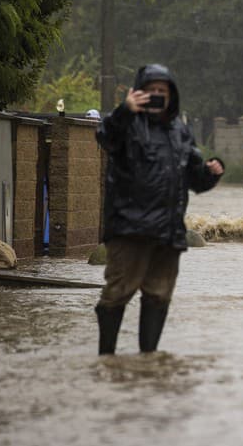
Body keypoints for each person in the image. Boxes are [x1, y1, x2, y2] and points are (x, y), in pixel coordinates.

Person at [94, 64, 224, 355]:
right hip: (129, 230)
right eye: (149, 90)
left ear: (171, 96)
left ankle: (148, 359)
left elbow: (194, 180)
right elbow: (105, 136)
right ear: (138, 93)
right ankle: (107, 358)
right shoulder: (125, 124)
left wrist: (212, 173)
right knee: (116, 294)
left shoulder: (180, 132)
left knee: (158, 296)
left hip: (168, 234)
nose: (155, 96)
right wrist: (125, 110)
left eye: (161, 92)